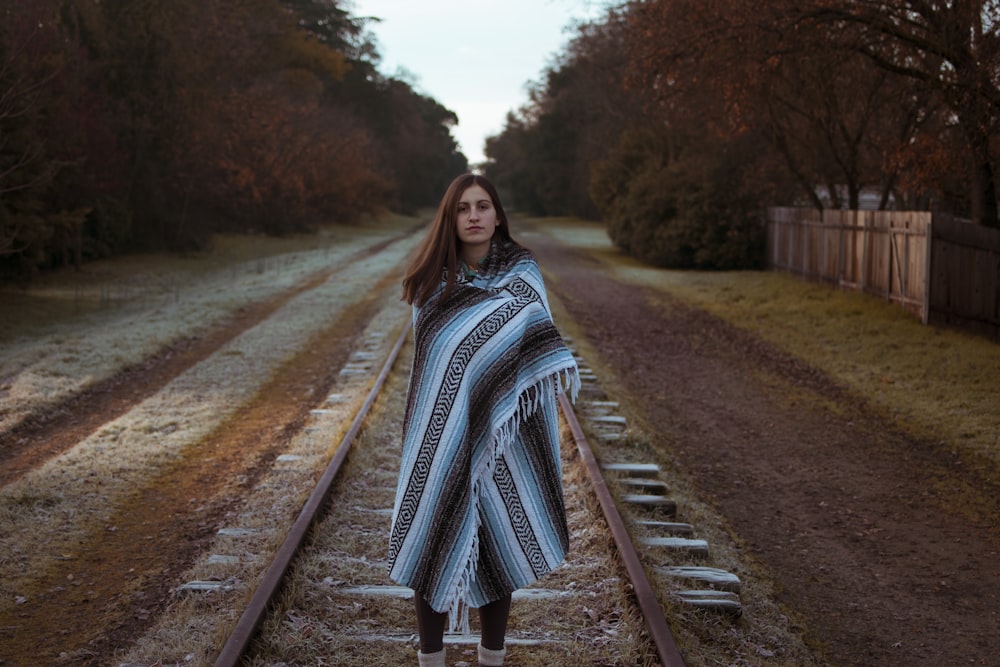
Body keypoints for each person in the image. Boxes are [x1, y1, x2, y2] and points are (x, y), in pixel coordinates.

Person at [387, 174, 579, 667]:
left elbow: (532, 330)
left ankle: (492, 659)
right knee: (433, 526)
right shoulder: (433, 284)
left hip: (506, 432)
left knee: (501, 535)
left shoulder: (524, 272)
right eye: (463, 208)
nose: (474, 215)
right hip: (442, 429)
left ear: (498, 216)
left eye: (483, 206)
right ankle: (431, 660)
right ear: (450, 218)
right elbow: (436, 363)